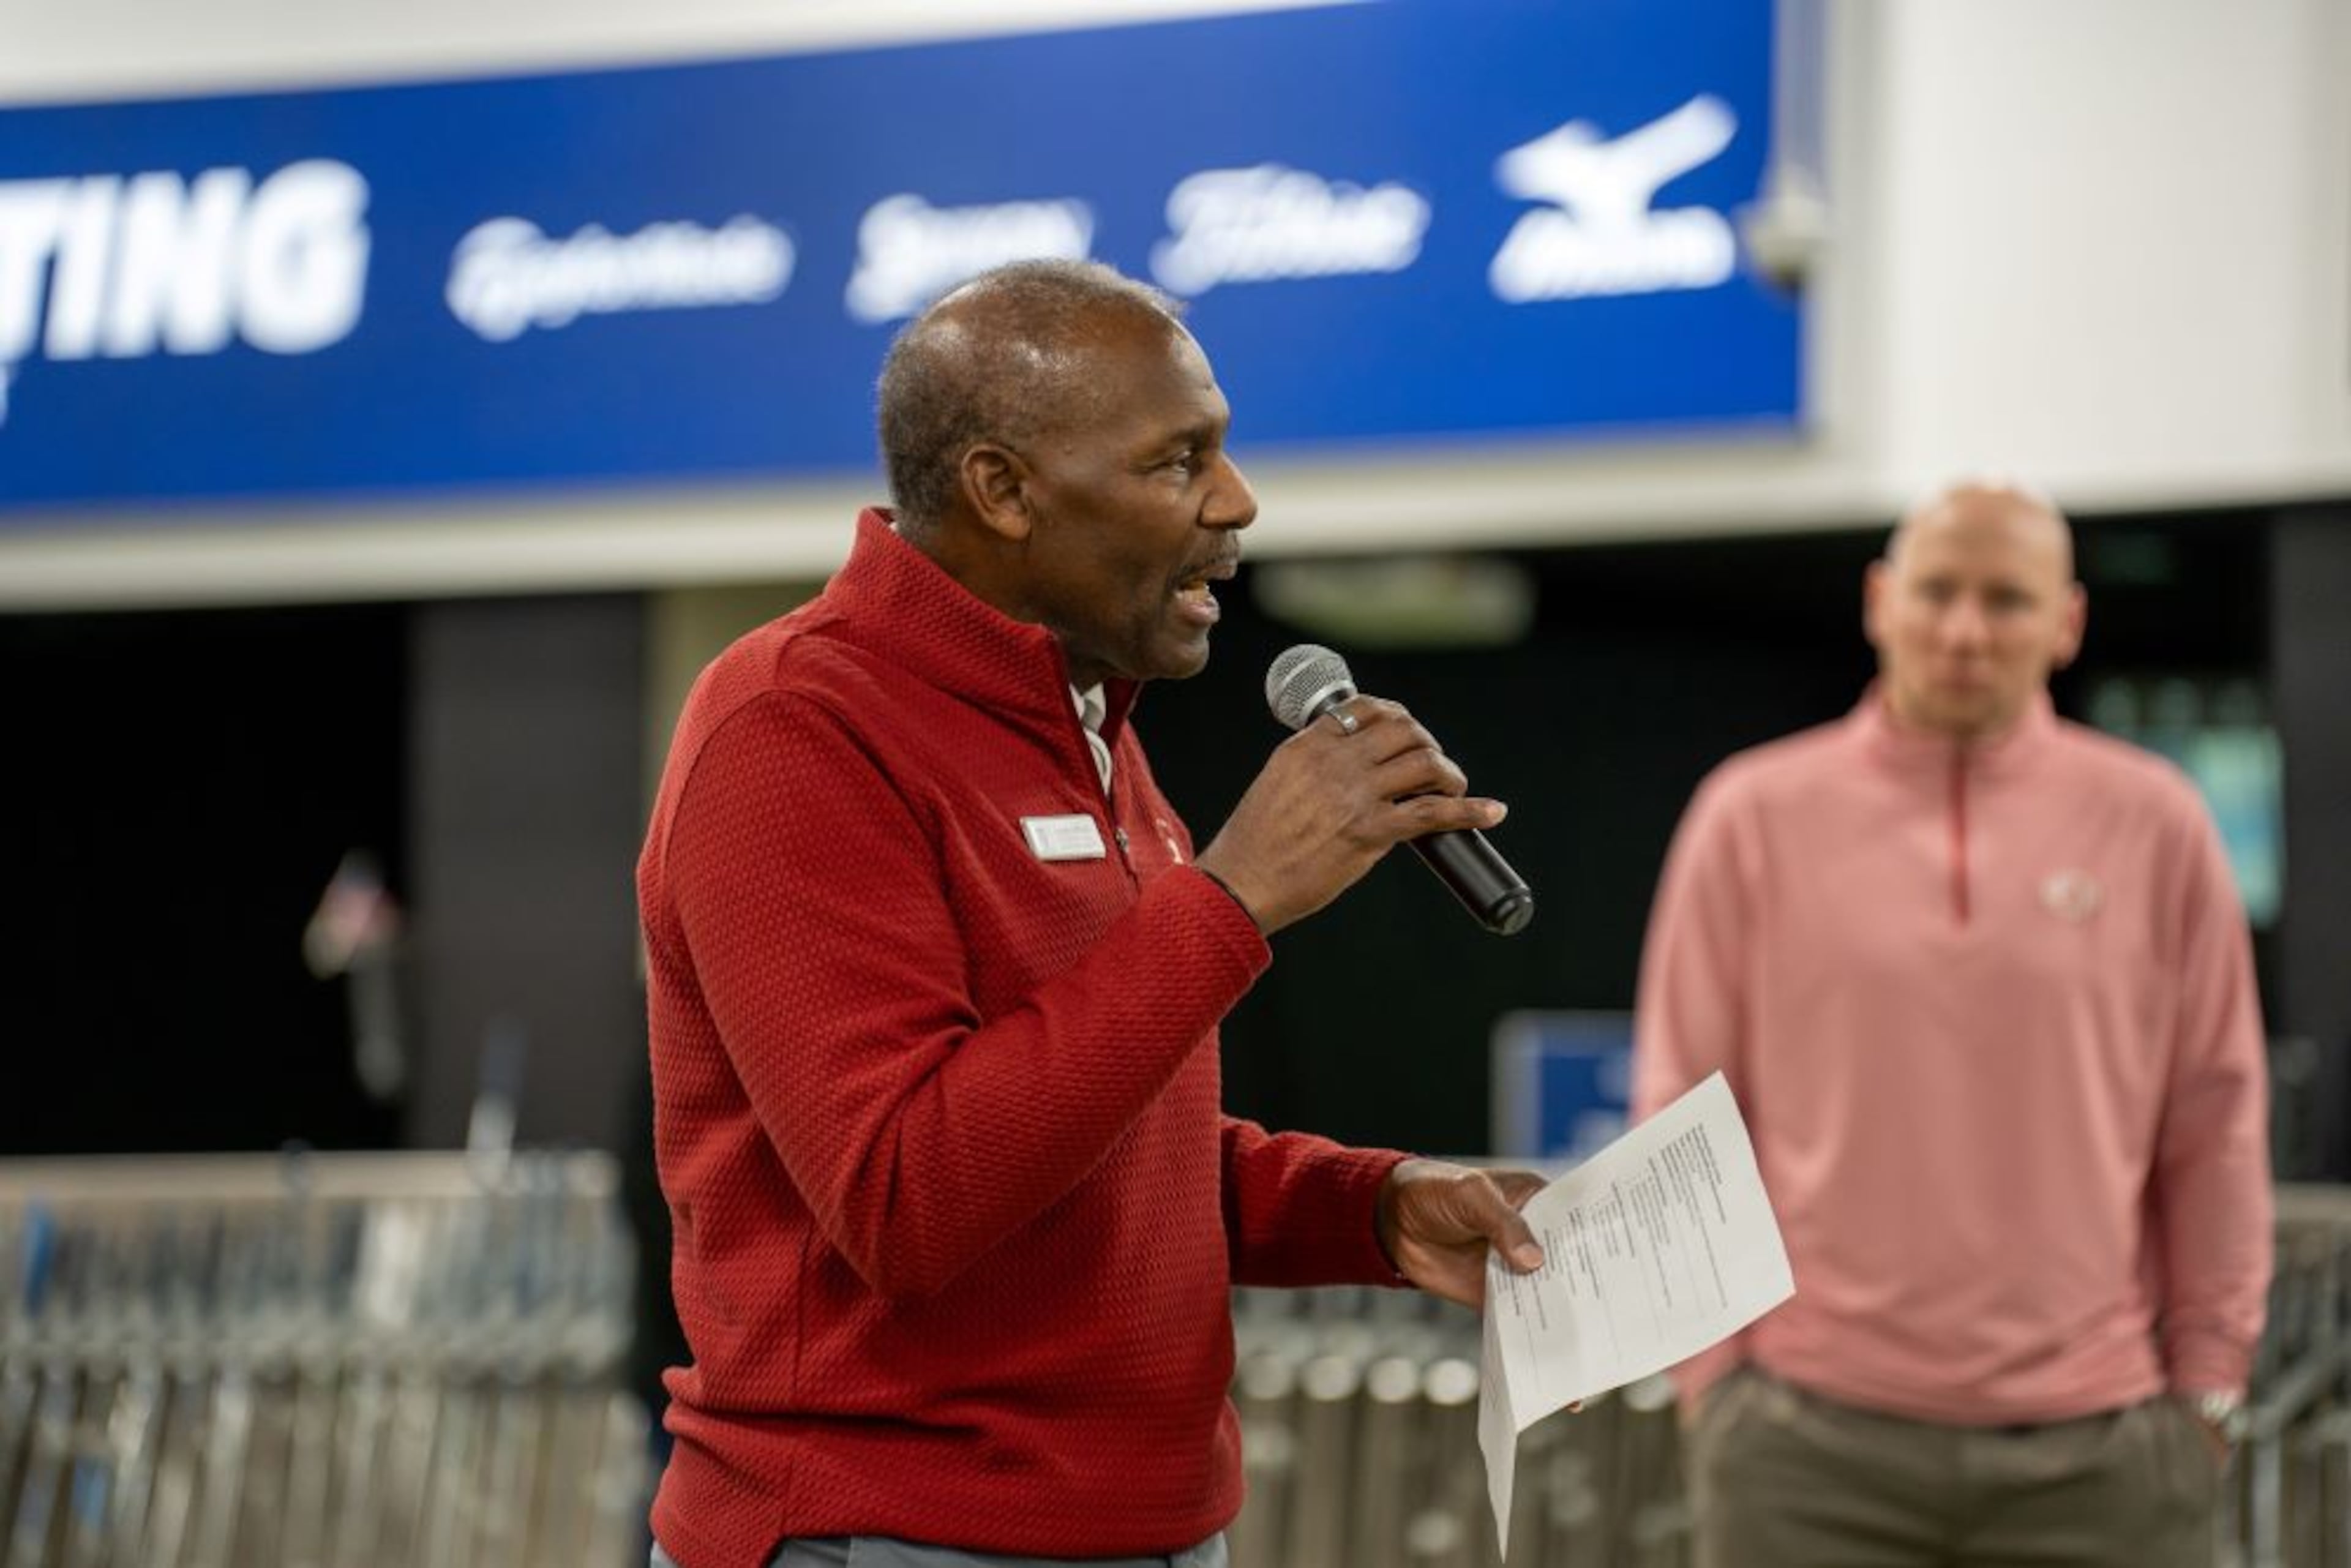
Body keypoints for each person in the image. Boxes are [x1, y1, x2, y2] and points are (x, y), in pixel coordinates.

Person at [636, 259, 1547, 1568]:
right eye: (1179, 462)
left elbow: (1105, 1152)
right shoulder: (795, 728)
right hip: (888, 1534)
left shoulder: (1092, 731)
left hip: (1157, 1531)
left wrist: (1373, 1209)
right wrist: (1231, 899)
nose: (1234, 504)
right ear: (1002, 489)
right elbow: (906, 1196)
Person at [1632, 479, 2273, 1568]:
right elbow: (1683, 1112)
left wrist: (2207, 1387)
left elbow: (2214, 1120)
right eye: (1937, 591)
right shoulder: (1752, 815)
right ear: (1880, 600)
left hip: (2104, 1457)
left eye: (2007, 599)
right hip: (1805, 1451)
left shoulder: (2157, 823)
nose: (1966, 630)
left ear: (2067, 621)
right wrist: (1714, 1382)